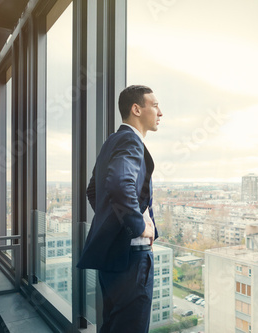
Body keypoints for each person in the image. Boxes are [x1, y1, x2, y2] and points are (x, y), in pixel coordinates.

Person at [77, 85, 163, 333]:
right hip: (132, 260)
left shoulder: (112, 141)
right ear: (136, 109)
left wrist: (116, 225)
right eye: (155, 105)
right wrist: (140, 228)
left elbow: (93, 191)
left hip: (114, 257)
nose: (160, 112)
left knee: (113, 325)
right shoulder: (130, 141)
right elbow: (117, 185)